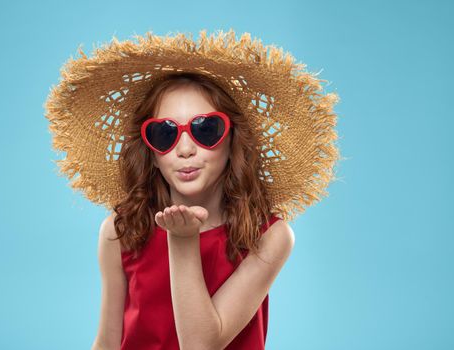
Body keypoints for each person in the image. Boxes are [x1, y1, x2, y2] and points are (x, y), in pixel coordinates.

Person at [44, 29, 341, 350]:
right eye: (164, 134)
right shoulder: (119, 232)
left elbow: (201, 345)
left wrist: (183, 240)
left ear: (232, 141)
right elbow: (107, 343)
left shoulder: (270, 236)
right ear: (152, 155)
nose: (185, 149)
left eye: (205, 129)